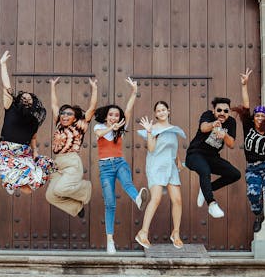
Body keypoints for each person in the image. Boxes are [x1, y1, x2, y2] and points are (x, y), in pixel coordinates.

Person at [93, 77, 150, 254]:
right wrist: (112, 127)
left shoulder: (121, 128)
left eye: (116, 115)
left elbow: (129, 109)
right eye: (111, 115)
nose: (114, 117)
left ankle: (138, 199)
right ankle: (110, 240)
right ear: (106, 116)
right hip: (105, 168)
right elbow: (101, 134)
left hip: (119, 163)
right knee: (110, 203)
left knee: (127, 184)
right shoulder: (99, 127)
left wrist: (134, 91)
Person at [231, 68, 265, 233]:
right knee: (253, 194)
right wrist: (244, 85)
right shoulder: (248, 127)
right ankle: (259, 215)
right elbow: (246, 106)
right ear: (254, 118)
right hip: (253, 168)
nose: (260, 118)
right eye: (257, 116)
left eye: (263, 117)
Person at [0, 50, 55, 195]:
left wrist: (35, 151)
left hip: (24, 153)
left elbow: (33, 137)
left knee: (29, 188)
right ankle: (17, 180)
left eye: (29, 99)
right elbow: (7, 87)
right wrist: (3, 65)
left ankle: (31, 178)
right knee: (22, 186)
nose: (26, 100)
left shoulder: (34, 120)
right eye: (23, 98)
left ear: (34, 104)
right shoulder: (11, 108)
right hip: (7, 152)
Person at [134, 101, 187, 249]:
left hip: (171, 167)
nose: (161, 112)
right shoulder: (154, 129)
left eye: (163, 109)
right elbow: (151, 149)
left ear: (168, 111)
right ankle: (143, 233)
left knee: (178, 200)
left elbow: (173, 147)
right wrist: (149, 132)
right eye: (158, 111)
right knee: (156, 199)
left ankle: (175, 233)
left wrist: (178, 160)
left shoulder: (173, 129)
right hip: (156, 166)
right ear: (155, 114)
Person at [45, 76, 98, 217]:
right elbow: (54, 105)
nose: (65, 115)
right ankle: (76, 207)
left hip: (72, 163)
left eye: (69, 114)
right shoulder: (58, 124)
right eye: (63, 113)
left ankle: (85, 189)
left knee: (61, 189)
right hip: (57, 164)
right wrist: (52, 86)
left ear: (75, 118)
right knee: (51, 196)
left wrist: (94, 88)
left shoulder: (79, 126)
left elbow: (92, 108)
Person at [185, 96, 241, 219]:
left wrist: (224, 135)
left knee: (235, 174)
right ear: (214, 111)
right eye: (219, 110)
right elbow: (203, 127)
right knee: (204, 171)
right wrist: (213, 125)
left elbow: (231, 144)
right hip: (195, 154)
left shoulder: (231, 122)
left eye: (226, 111)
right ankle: (211, 203)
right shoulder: (208, 115)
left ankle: (205, 189)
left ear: (229, 112)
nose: (222, 113)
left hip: (212, 157)